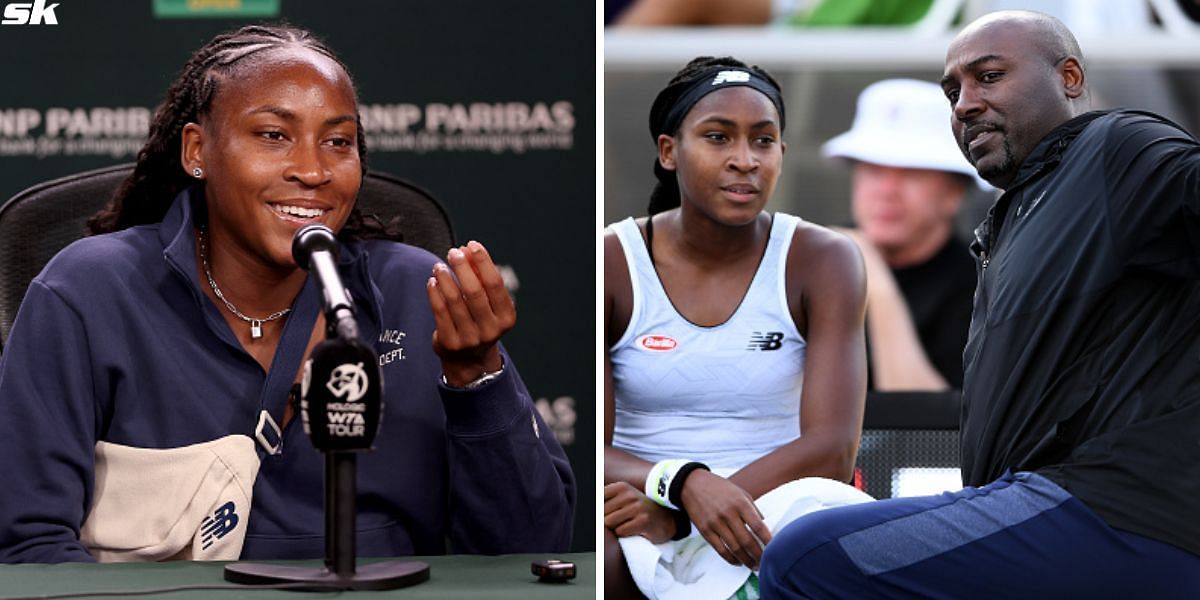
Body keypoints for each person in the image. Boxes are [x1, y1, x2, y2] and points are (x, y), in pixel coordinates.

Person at [0, 24, 574, 563]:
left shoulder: (414, 290)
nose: (313, 170)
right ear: (197, 151)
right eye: (273, 136)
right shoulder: (90, 291)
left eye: (338, 142)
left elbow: (531, 548)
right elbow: (29, 544)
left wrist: (475, 377)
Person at [759, 10, 1200, 597]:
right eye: (953, 90)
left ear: (1070, 78)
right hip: (1054, 514)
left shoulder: (1116, 147)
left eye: (989, 77)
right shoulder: (1016, 216)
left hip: (1122, 508)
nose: (965, 103)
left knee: (803, 554)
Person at [603, 56, 871, 599]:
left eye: (763, 141)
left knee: (822, 534)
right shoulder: (610, 261)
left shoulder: (825, 258)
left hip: (781, 507)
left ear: (782, 154)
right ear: (668, 151)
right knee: (604, 554)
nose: (744, 160)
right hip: (643, 504)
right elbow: (584, 441)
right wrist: (682, 486)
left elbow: (833, 449)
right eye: (718, 137)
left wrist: (683, 516)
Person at [822, 78, 982, 390]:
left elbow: (927, 428)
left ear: (953, 194)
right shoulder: (813, 261)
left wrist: (877, 287)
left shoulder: (982, 289)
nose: (886, 191)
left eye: (911, 174)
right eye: (872, 171)